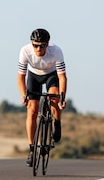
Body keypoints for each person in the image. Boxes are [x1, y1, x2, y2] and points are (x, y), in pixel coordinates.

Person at [17, 28, 67, 166]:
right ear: (31, 44)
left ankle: (56, 122)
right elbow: (21, 76)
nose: (38, 48)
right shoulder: (25, 51)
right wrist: (23, 95)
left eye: (42, 45)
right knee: (32, 109)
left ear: (47, 44)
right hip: (34, 76)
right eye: (35, 45)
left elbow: (62, 77)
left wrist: (62, 98)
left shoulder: (56, 51)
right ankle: (32, 149)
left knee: (55, 97)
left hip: (51, 75)